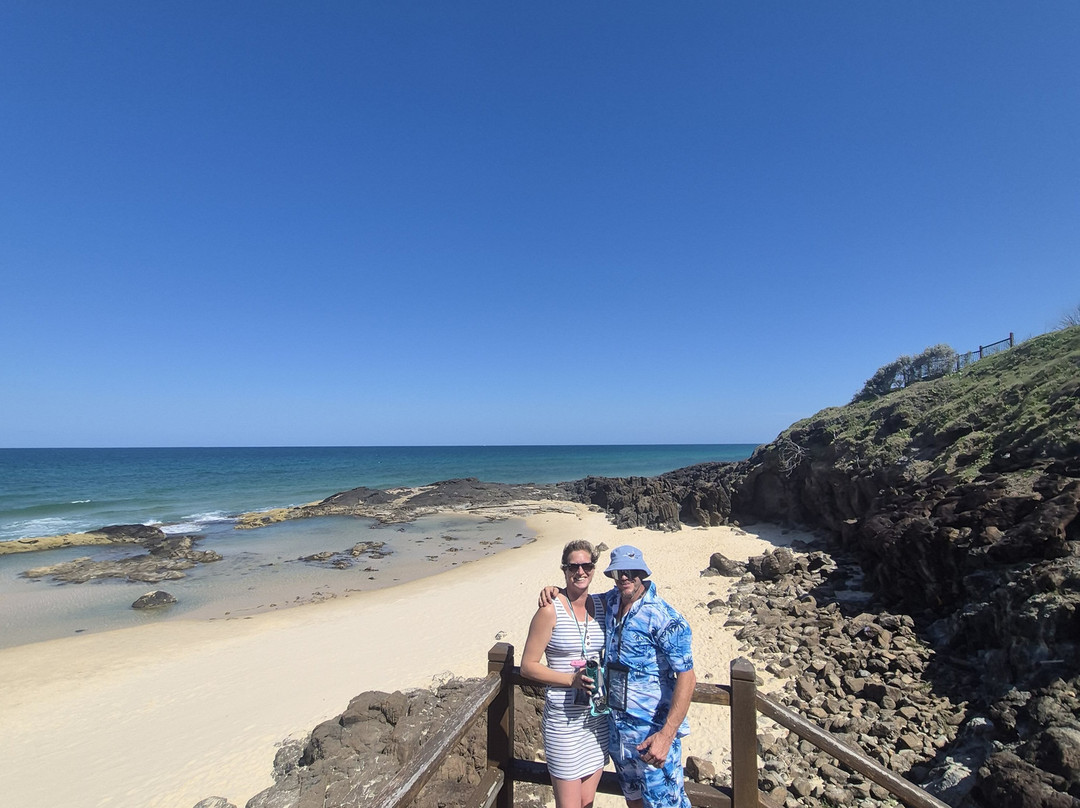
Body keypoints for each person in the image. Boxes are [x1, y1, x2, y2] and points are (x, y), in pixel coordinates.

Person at [540, 544, 695, 808]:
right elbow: (578, 595)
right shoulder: (610, 602)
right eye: (618, 571)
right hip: (619, 735)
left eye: (632, 571)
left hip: (652, 736)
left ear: (642, 573)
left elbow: (687, 677)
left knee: (666, 804)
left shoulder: (665, 618)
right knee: (633, 802)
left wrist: (666, 736)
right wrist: (554, 590)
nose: (625, 577)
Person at [521, 540, 609, 808]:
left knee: (586, 802)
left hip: (596, 720)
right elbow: (528, 666)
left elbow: (632, 591)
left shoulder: (603, 606)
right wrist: (571, 681)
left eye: (587, 566)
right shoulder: (550, 609)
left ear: (594, 569)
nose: (580, 571)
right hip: (563, 723)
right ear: (564, 569)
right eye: (574, 566)